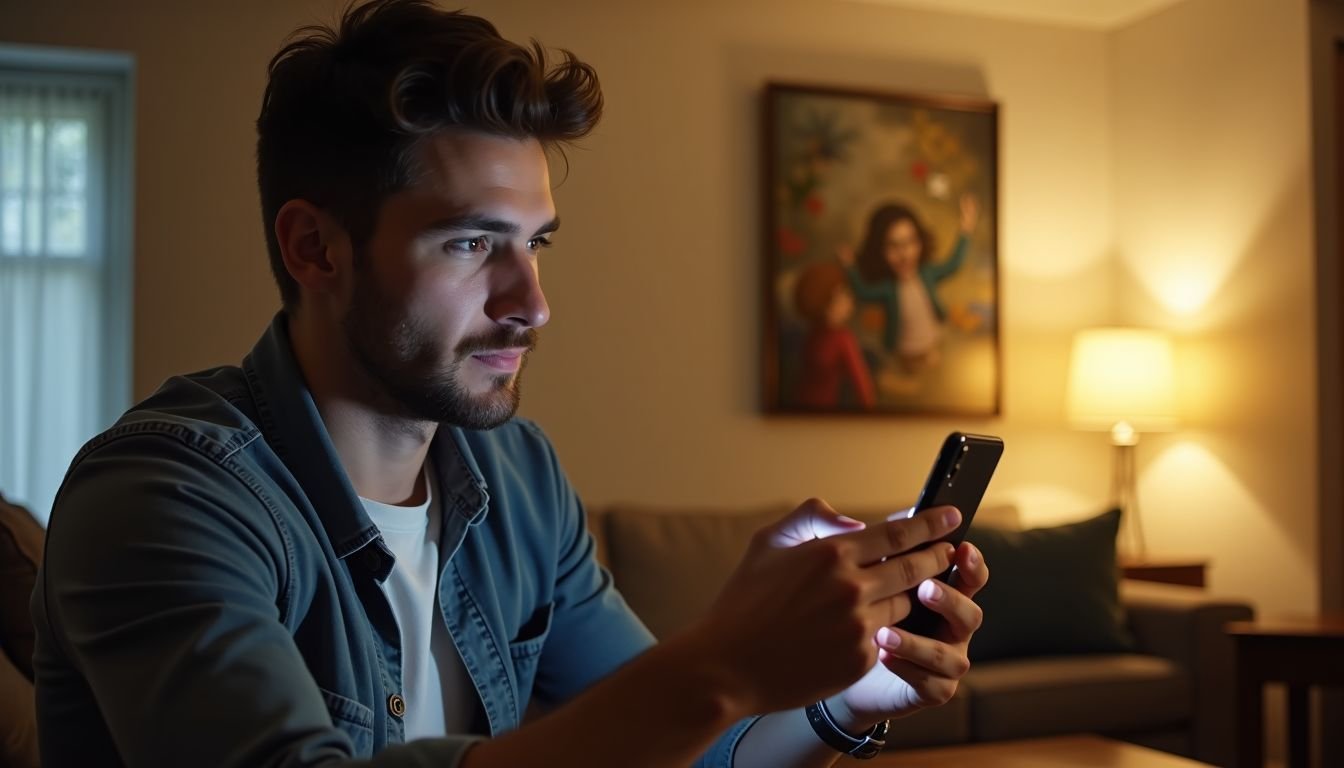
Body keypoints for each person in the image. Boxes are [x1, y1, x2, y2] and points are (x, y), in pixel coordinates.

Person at [30, 2, 988, 766]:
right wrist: (722, 662)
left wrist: (836, 699)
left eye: (533, 244)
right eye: (472, 242)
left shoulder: (515, 477)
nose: (531, 302)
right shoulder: (163, 493)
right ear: (313, 247)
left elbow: (678, 750)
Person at [840, 195, 978, 373]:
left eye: (911, 241)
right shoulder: (888, 289)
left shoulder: (927, 274)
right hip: (905, 351)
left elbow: (953, 264)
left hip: (932, 342)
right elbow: (862, 292)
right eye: (893, 246)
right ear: (879, 250)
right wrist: (850, 267)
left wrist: (966, 229)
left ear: (920, 241)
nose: (904, 254)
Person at [791, 261, 875, 410]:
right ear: (825, 303)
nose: (849, 301)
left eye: (846, 295)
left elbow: (862, 385)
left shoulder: (843, 338)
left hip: (823, 414)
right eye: (841, 296)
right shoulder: (818, 333)